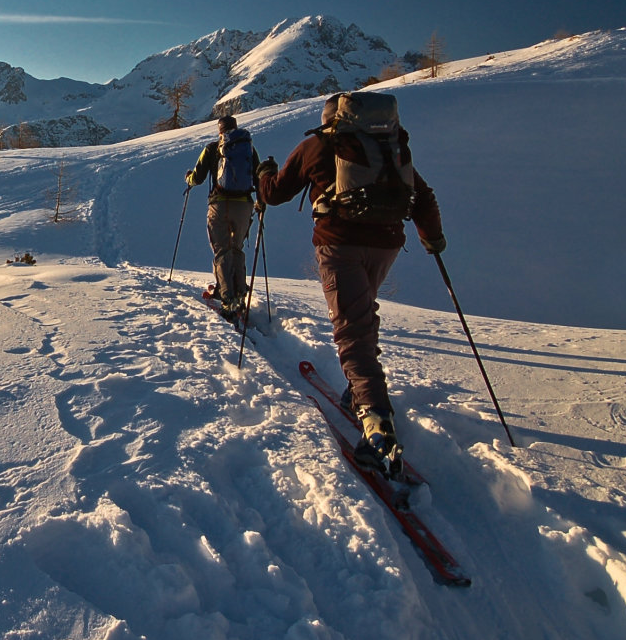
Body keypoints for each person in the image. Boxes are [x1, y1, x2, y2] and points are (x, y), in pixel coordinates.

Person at [256, 93, 445, 474]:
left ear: (331, 120)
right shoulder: (388, 148)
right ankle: (359, 391)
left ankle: (377, 427)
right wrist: (433, 239)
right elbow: (421, 194)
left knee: (352, 330)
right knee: (360, 317)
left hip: (340, 243)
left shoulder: (318, 145)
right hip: (388, 243)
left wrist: (263, 175)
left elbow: (275, 194)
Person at [185, 114, 259, 320]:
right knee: (236, 248)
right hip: (245, 204)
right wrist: (260, 203)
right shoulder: (248, 148)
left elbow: (197, 178)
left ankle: (228, 300)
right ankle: (239, 295)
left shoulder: (211, 148)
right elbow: (259, 175)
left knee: (221, 251)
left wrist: (188, 178)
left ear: (220, 131)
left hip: (220, 204)